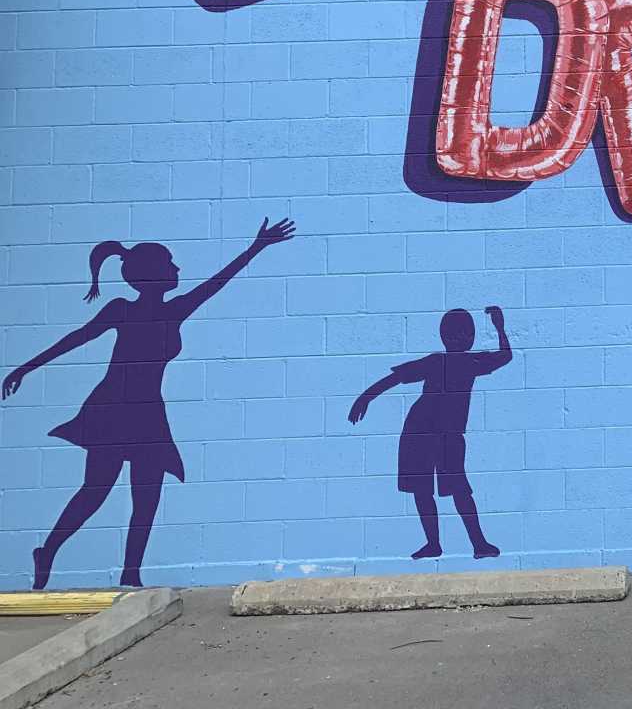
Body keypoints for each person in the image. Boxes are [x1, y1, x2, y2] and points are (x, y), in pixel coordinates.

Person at [2, 218, 296, 590]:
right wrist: (25, 368)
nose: (178, 268)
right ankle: (48, 552)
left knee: (146, 496)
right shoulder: (122, 310)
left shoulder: (173, 310)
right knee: (96, 490)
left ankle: (131, 573)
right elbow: (76, 339)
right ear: (152, 273)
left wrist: (256, 247)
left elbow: (217, 283)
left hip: (147, 412)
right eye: (170, 263)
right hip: (112, 409)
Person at [349, 306, 512, 560]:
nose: (461, 339)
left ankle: (479, 544)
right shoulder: (437, 362)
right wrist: (365, 397)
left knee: (459, 488)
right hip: (419, 432)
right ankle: (434, 544)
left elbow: (505, 356)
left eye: (466, 334)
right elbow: (397, 378)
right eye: (455, 334)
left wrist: (500, 328)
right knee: (422, 489)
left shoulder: (472, 362)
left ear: (471, 337)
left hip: (449, 435)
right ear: (444, 337)